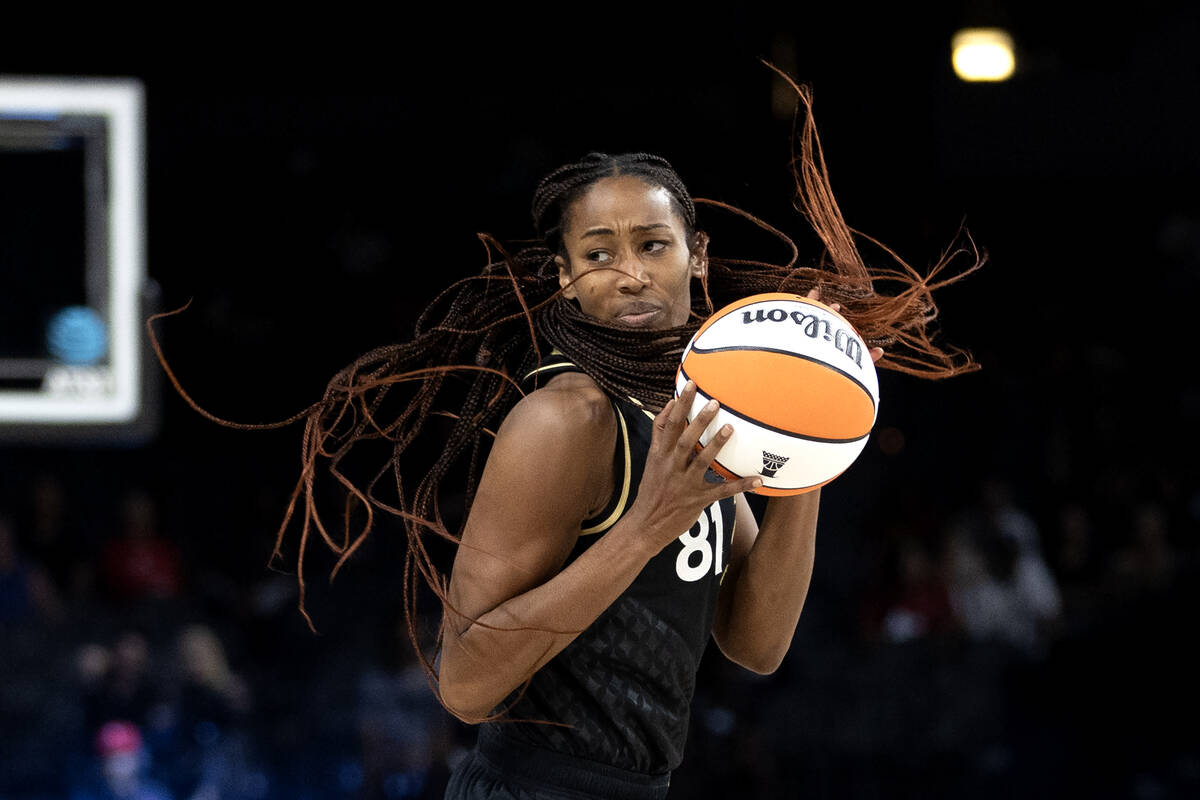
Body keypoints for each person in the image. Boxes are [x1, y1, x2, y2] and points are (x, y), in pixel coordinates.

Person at [151, 77, 982, 798]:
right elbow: (465, 684)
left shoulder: (691, 416)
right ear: (566, 277)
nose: (628, 272)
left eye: (653, 245)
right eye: (598, 252)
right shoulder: (568, 418)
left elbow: (755, 645)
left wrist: (805, 449)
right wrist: (646, 524)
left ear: (697, 257)